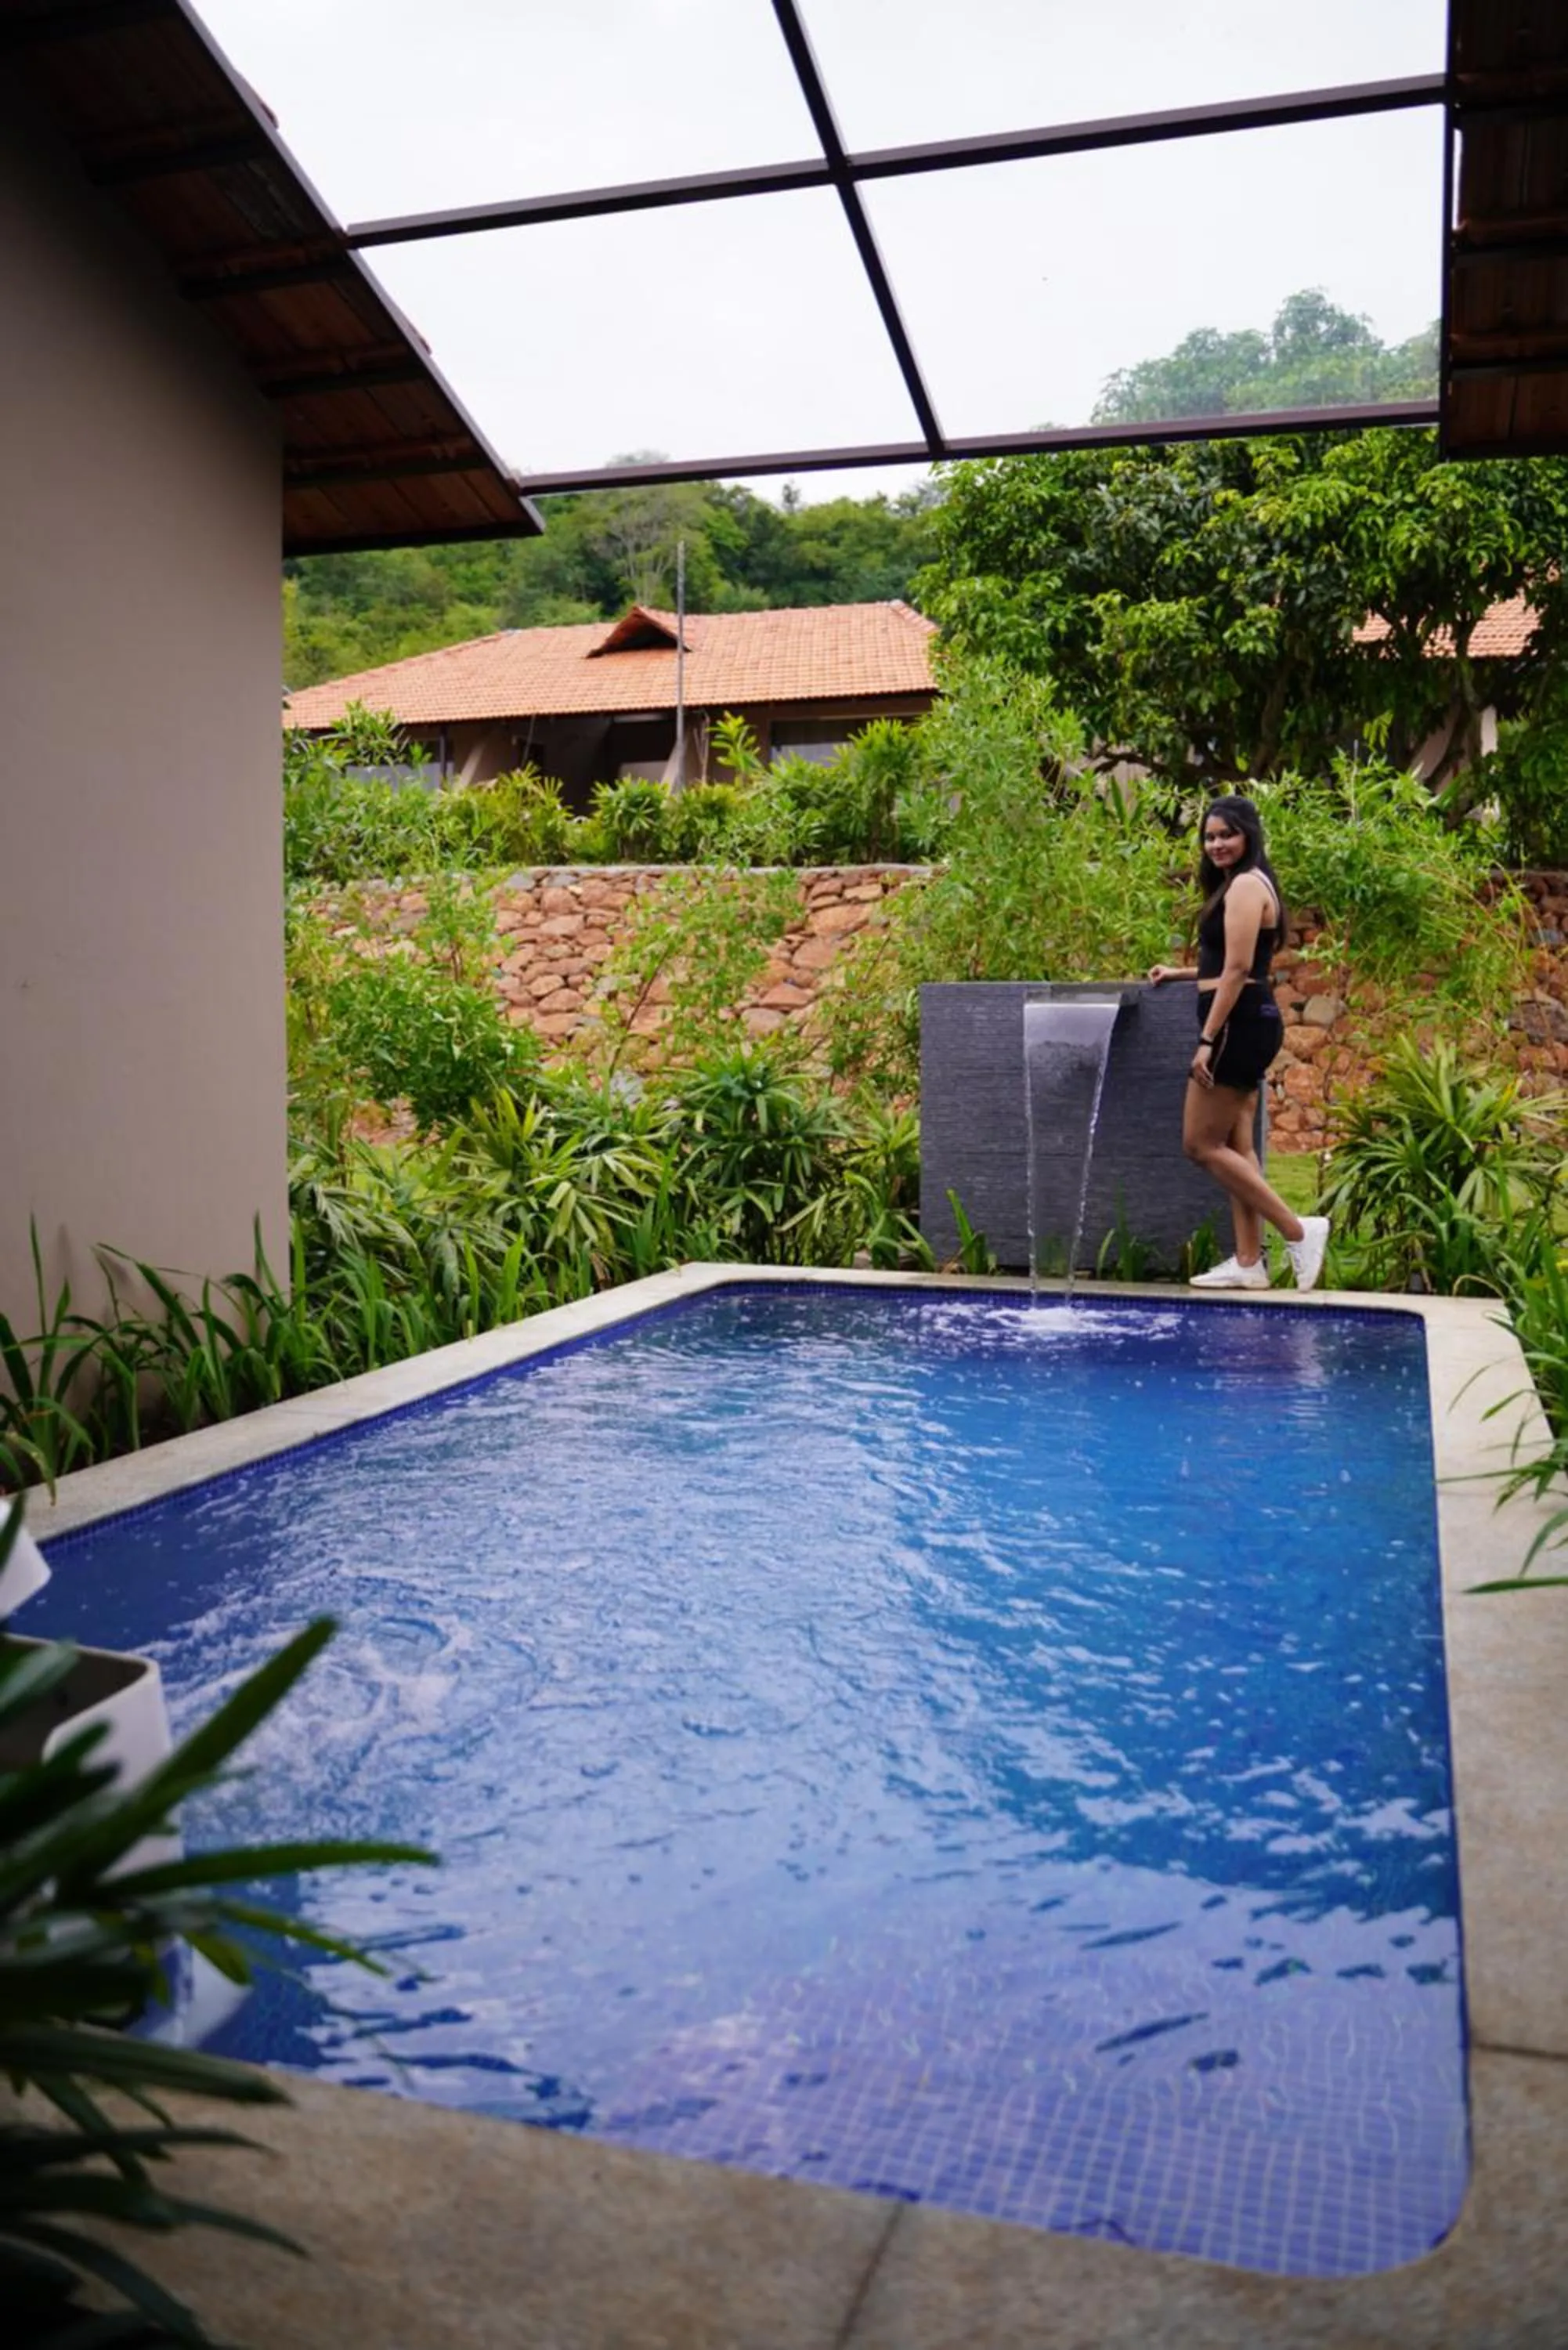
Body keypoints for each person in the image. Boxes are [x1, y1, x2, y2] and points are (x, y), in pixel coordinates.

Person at [1147, 793, 1330, 1292]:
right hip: (1247, 1017)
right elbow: (1228, 964)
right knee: (1235, 1145)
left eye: (1227, 834)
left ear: (1248, 835)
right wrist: (1180, 973)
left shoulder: (1247, 885)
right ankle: (1249, 1262)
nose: (1217, 845)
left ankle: (1297, 1230)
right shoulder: (1243, 883)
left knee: (1199, 1143)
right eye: (1209, 837)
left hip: (1236, 1023)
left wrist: (1207, 1039)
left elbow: (1238, 970)